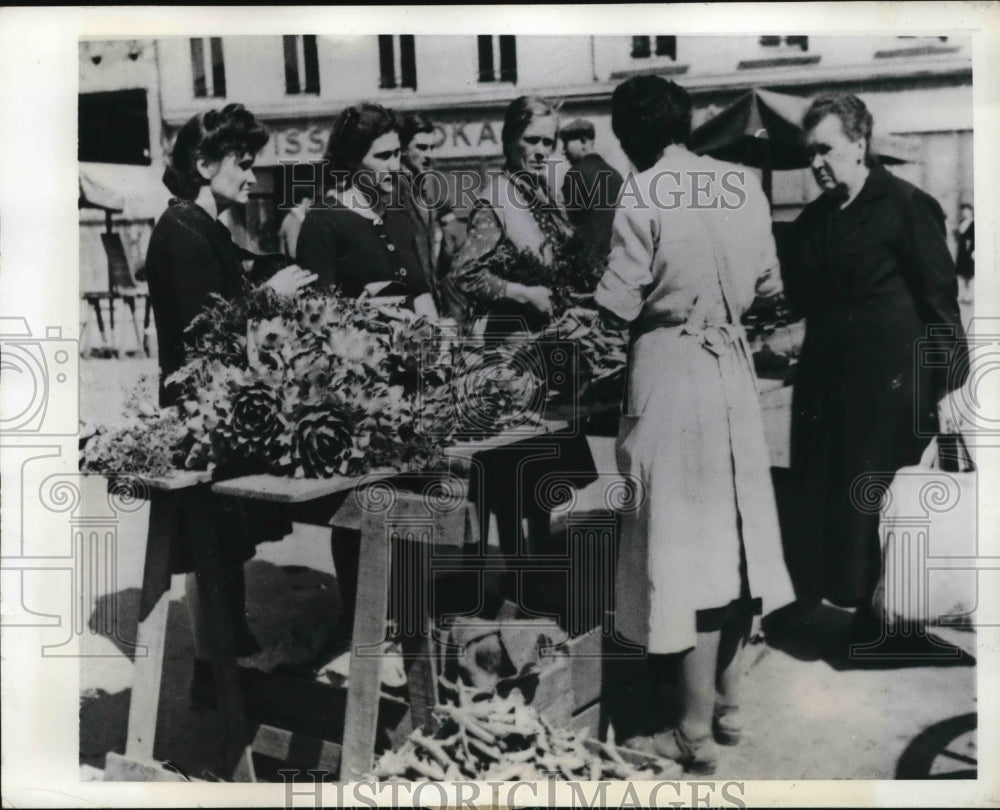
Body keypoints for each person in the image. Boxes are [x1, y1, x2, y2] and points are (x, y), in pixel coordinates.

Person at [593, 75, 795, 774]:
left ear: (626, 138)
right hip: (731, 371)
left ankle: (692, 730)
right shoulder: (740, 184)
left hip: (671, 371)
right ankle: (730, 706)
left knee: (684, 557)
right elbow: (771, 288)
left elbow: (616, 304)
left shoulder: (642, 191)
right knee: (736, 540)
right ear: (687, 123)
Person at [145, 103, 316, 704]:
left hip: (216, 403)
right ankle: (213, 675)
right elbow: (202, 332)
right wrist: (268, 296)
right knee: (210, 539)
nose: (252, 177)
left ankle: (222, 666)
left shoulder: (202, 226)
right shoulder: (181, 231)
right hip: (200, 408)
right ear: (203, 163)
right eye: (242, 165)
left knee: (220, 542)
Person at [783, 93, 968, 624]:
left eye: (826, 149)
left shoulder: (907, 205)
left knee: (885, 503)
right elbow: (801, 298)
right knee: (836, 503)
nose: (816, 163)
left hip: (891, 386)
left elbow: (940, 302)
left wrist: (953, 388)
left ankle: (893, 615)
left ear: (859, 144)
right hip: (827, 384)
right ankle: (864, 608)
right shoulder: (813, 220)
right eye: (809, 153)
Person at [445, 95, 574, 335]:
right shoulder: (495, 200)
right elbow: (464, 273)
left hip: (552, 332)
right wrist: (524, 294)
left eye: (547, 142)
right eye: (532, 140)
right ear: (510, 141)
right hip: (515, 341)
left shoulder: (545, 193)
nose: (540, 151)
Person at [296, 103, 439, 320]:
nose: (394, 166)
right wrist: (360, 311)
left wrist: (438, 342)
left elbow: (420, 293)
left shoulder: (398, 214)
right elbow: (313, 313)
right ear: (353, 160)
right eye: (383, 156)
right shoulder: (322, 221)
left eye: (397, 154)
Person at [559, 118, 624, 260]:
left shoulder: (575, 174)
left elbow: (570, 223)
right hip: (615, 259)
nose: (563, 151)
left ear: (583, 141)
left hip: (587, 261)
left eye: (566, 144)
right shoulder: (615, 175)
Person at [277, 186, 313, 260]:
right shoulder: (293, 220)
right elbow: (294, 252)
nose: (312, 207)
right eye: (311, 203)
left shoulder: (297, 218)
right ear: (305, 201)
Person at [955, 202, 974, 303]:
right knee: (960, 274)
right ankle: (961, 295)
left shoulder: (974, 223)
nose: (965, 212)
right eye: (963, 211)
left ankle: (970, 296)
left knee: (970, 275)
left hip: (970, 252)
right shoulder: (962, 223)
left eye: (967, 210)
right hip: (962, 252)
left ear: (971, 211)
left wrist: (974, 251)